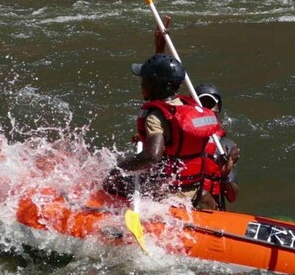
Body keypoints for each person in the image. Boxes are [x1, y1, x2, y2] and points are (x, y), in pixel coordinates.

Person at [103, 54, 223, 208]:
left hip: (166, 192)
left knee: (110, 182)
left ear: (154, 85)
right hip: (194, 188)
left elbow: (152, 156)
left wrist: (118, 169)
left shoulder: (156, 117)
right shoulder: (189, 108)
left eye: (144, 80)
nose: (141, 84)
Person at [195, 82, 241, 210]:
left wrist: (225, 174)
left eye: (211, 105)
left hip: (213, 210)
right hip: (185, 204)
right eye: (202, 104)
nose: (206, 110)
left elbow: (232, 197)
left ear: (218, 108)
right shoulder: (181, 139)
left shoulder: (226, 146)